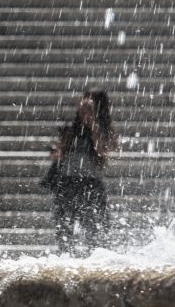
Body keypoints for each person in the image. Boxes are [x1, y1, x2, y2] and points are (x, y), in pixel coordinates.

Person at [44, 89, 119, 254]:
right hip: (67, 182)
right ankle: (67, 260)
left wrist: (92, 124)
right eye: (83, 105)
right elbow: (55, 155)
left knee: (94, 232)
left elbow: (103, 151)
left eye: (89, 106)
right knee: (65, 230)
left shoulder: (103, 129)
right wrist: (61, 146)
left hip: (91, 184)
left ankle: (93, 264)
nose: (84, 109)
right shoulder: (69, 128)